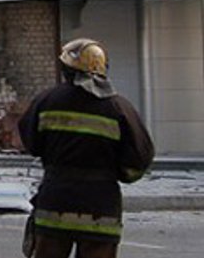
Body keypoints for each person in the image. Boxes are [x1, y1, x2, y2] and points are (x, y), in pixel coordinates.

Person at [19, 38, 154, 258]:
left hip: (55, 201)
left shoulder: (46, 101)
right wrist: (118, 174)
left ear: (66, 70)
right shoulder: (120, 108)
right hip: (101, 208)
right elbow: (139, 160)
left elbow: (31, 143)